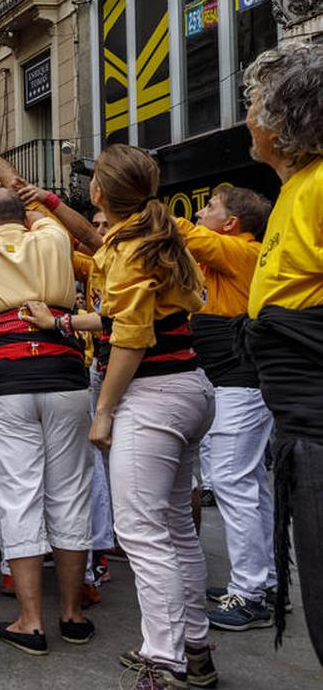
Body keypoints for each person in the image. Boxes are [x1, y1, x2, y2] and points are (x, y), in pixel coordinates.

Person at [84, 145, 215, 690]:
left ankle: (165, 661)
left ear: (100, 194)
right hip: (188, 387)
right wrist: (71, 321)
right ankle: (194, 648)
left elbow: (131, 338)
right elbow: (133, 316)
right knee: (175, 526)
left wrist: (104, 412)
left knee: (140, 531)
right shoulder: (155, 238)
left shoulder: (131, 246)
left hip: (153, 394)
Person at [0, 185, 93, 657]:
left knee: (18, 496)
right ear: (26, 220)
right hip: (66, 374)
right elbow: (47, 214)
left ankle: (31, 621)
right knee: (70, 492)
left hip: (5, 379)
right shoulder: (50, 238)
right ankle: (72, 614)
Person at [239, 43, 323, 662]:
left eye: (251, 105)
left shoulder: (319, 188)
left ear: (280, 119)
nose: (246, 118)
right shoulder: (297, 190)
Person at [173, 186, 278, 630]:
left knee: (235, 484)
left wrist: (138, 197)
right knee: (249, 484)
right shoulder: (228, 257)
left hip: (239, 386)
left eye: (210, 208)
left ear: (231, 223)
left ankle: (250, 594)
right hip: (234, 386)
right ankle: (264, 581)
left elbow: (184, 233)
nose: (200, 212)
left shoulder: (240, 251)